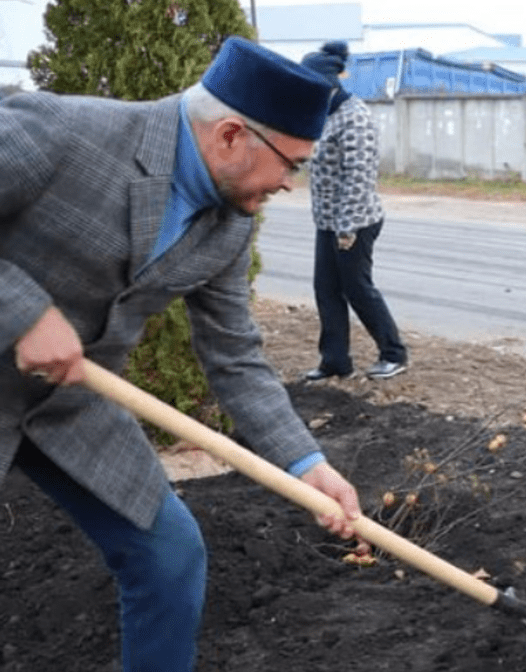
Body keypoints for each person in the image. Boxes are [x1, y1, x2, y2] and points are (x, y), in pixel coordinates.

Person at [0, 37, 366, 672]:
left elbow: (235, 357)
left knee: (169, 556)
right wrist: (24, 311)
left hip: (69, 403)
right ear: (230, 136)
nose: (287, 184)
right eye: (291, 165)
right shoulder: (64, 131)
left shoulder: (230, 224)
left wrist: (308, 467)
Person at [300, 41, 408, 381]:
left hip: (356, 222)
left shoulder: (355, 117)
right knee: (326, 289)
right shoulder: (322, 115)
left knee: (357, 288)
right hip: (328, 222)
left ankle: (394, 354)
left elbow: (358, 176)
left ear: (326, 82)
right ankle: (334, 361)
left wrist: (346, 230)